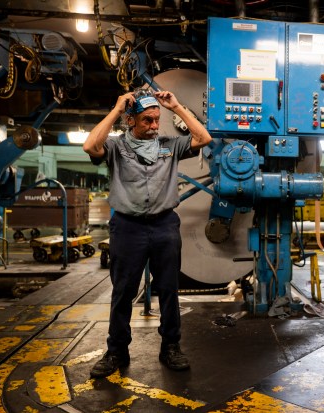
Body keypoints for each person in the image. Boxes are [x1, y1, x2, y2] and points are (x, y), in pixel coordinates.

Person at [83, 88, 212, 378]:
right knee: (123, 292)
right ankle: (117, 350)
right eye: (147, 121)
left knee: (168, 289)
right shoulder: (116, 147)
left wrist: (177, 107)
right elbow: (90, 146)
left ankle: (170, 347)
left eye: (156, 120)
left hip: (164, 224)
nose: (155, 126)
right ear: (130, 121)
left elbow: (204, 139)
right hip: (128, 227)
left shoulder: (169, 145)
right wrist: (116, 109)